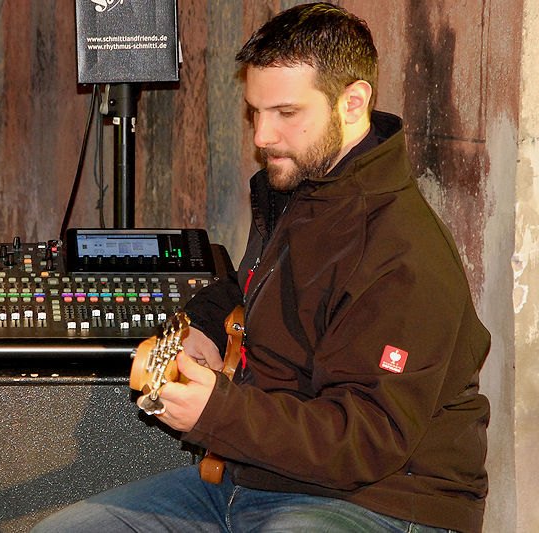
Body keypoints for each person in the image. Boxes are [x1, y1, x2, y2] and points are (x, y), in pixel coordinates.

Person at [32, 3, 490, 532]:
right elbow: (248, 285)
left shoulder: (405, 252)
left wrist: (217, 413)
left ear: (353, 103)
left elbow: (367, 439)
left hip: (378, 499)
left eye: (285, 113)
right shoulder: (303, 189)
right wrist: (201, 331)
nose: (262, 136)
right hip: (252, 478)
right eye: (255, 112)